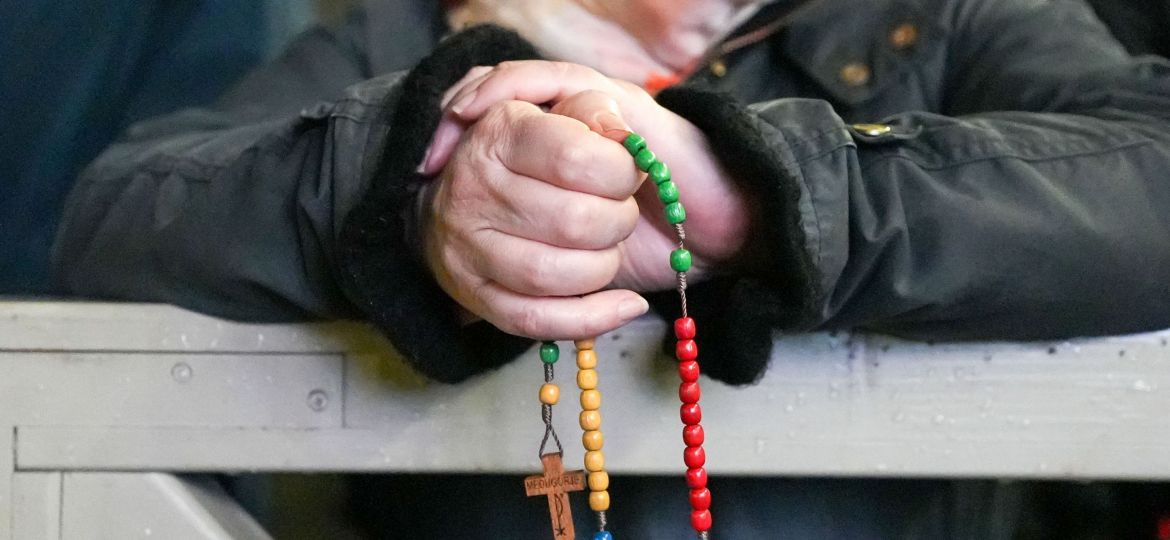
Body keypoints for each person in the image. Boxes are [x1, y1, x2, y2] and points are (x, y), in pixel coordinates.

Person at [51, 0, 1170, 536]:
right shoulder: (396, 36)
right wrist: (410, 189)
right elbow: (115, 215)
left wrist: (760, 189)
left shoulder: (943, 18)